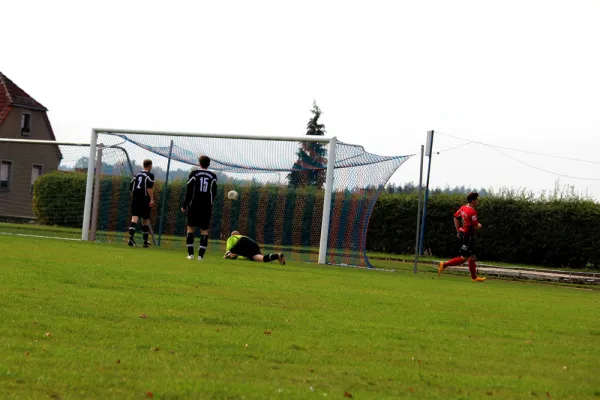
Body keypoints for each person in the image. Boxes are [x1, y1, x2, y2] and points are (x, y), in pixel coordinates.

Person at [438, 192, 486, 282]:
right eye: (477, 200)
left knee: (472, 257)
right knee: (464, 258)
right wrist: (480, 225)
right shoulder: (472, 212)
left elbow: (455, 218)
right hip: (467, 236)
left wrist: (458, 231)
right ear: (473, 201)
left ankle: (474, 277)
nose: (478, 202)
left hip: (466, 235)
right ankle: (444, 265)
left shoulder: (463, 208)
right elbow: (476, 226)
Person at [181, 155, 218, 260]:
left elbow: (189, 191)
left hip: (194, 205)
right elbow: (213, 192)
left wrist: (184, 205)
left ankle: (190, 254)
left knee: (190, 228)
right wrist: (210, 203)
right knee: (204, 230)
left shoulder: (194, 174)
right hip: (206, 206)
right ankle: (201, 256)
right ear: (209, 164)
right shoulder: (213, 176)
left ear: (199, 163)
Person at [128, 159, 155, 247]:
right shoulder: (150, 175)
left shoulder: (136, 175)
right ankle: (145, 242)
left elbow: (130, 187)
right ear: (150, 166)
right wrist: (151, 199)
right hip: (145, 199)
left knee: (134, 218)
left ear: (143, 165)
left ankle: (131, 239)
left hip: (136, 199)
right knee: (145, 220)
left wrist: (134, 195)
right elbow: (149, 188)